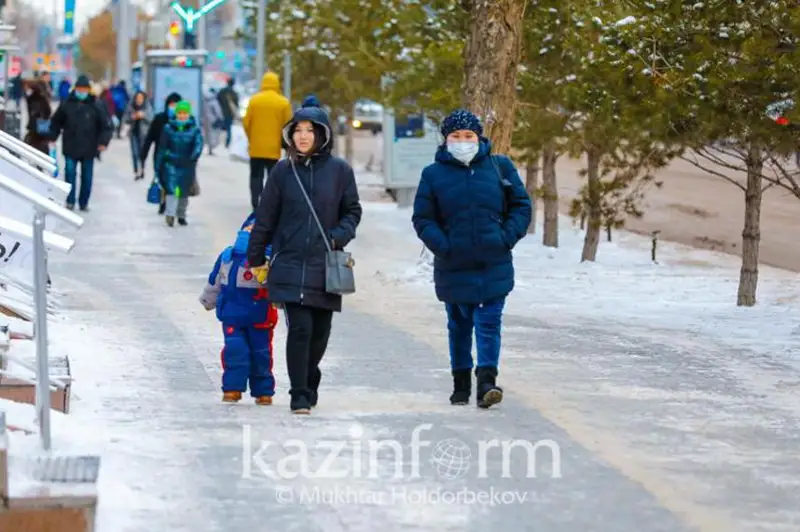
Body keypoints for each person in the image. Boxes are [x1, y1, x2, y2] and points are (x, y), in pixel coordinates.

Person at [411, 109, 532, 409]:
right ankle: (461, 383)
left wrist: (505, 238)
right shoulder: (433, 174)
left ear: (479, 138)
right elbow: (423, 218)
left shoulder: (499, 167)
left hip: (494, 262)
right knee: (459, 324)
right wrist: (443, 245)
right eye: (456, 136)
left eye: (468, 136)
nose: (463, 142)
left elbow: (521, 206)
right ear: (446, 139)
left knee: (489, 322)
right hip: (454, 263)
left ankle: (487, 381)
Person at [246, 105, 362, 415]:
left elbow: (353, 210)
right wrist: (255, 257)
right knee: (300, 329)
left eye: (310, 131)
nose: (303, 136)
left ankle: (310, 375)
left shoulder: (340, 171)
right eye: (298, 130)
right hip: (290, 262)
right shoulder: (283, 172)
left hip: (326, 264)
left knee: (320, 333)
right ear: (290, 134)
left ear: (322, 134)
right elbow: (265, 217)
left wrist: (339, 235)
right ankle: (299, 392)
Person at [200, 215, 279, 404]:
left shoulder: (269, 258)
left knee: (260, 353)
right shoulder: (228, 256)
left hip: (259, 316)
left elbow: (276, 283)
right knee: (237, 350)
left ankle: (263, 391)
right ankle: (233, 388)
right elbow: (216, 279)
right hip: (234, 315)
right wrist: (208, 299)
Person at [48, 74, 112, 211]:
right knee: (70, 174)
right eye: (79, 89)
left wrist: (103, 142)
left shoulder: (96, 105)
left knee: (87, 177)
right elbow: (56, 122)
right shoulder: (67, 104)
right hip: (70, 146)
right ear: (75, 89)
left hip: (89, 147)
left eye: (84, 89)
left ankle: (84, 202)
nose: (82, 92)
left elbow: (106, 126)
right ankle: (70, 201)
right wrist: (52, 137)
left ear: (88, 90)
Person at [242, 72, 292, 211]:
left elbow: (246, 122)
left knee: (255, 176)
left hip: (256, 147)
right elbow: (288, 125)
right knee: (272, 177)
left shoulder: (254, 100)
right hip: (273, 148)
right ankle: (271, 203)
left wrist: (252, 137)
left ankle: (255, 201)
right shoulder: (283, 102)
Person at [156, 100, 203, 227]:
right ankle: (170, 214)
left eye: (184, 113)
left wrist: (194, 155)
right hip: (171, 163)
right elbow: (162, 147)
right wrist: (159, 163)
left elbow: (198, 144)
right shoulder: (168, 128)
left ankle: (181, 214)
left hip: (187, 164)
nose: (182, 115)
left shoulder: (194, 129)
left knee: (184, 191)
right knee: (171, 190)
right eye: (180, 113)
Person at [142, 92, 183, 214]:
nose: (173, 108)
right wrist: (143, 155)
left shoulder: (183, 122)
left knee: (176, 182)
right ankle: (163, 202)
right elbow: (150, 138)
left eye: (176, 105)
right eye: (171, 105)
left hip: (178, 156)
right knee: (164, 181)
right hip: (161, 156)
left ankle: (174, 205)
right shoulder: (159, 119)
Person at [124, 90, 152, 180]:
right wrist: (132, 117)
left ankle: (142, 169)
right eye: (137, 98)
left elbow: (151, 118)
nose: (139, 100)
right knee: (135, 153)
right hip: (133, 133)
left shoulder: (147, 107)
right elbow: (125, 118)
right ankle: (136, 171)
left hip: (144, 133)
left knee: (142, 152)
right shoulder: (131, 106)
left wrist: (143, 115)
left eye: (141, 98)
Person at [23, 79, 52, 154]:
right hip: (39, 125)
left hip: (39, 125)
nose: (26, 90)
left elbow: (47, 112)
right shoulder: (34, 98)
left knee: (39, 144)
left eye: (27, 88)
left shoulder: (36, 99)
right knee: (39, 144)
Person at [217, 77, 239, 148]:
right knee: (229, 128)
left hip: (220, 112)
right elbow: (236, 105)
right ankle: (227, 143)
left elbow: (217, 100)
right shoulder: (234, 93)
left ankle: (217, 142)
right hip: (229, 114)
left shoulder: (222, 91)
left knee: (219, 127)